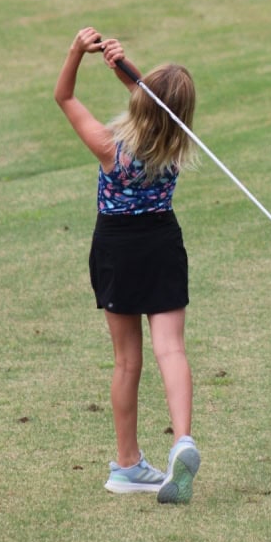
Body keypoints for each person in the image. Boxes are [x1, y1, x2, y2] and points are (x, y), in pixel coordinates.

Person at [54, 27, 201, 504]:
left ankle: (127, 464)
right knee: (171, 350)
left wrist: (77, 52)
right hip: (162, 243)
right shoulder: (178, 141)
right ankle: (182, 440)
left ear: (141, 100)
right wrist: (123, 67)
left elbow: (64, 97)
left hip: (117, 248)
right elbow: (158, 109)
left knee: (126, 362)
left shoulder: (109, 146)